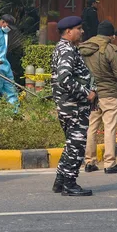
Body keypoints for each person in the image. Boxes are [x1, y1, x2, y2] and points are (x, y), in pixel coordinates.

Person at [50, 16, 97, 196]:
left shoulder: (66, 48)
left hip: (70, 106)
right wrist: (87, 94)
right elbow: (64, 78)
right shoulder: (67, 51)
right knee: (76, 146)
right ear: (69, 31)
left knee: (71, 144)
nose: (82, 31)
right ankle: (69, 184)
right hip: (73, 107)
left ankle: (61, 181)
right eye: (79, 28)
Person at [80, 20, 117, 174]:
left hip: (90, 94)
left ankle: (89, 162)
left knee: (91, 128)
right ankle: (109, 163)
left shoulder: (84, 47)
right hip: (108, 94)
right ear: (111, 35)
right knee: (109, 128)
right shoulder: (110, 49)